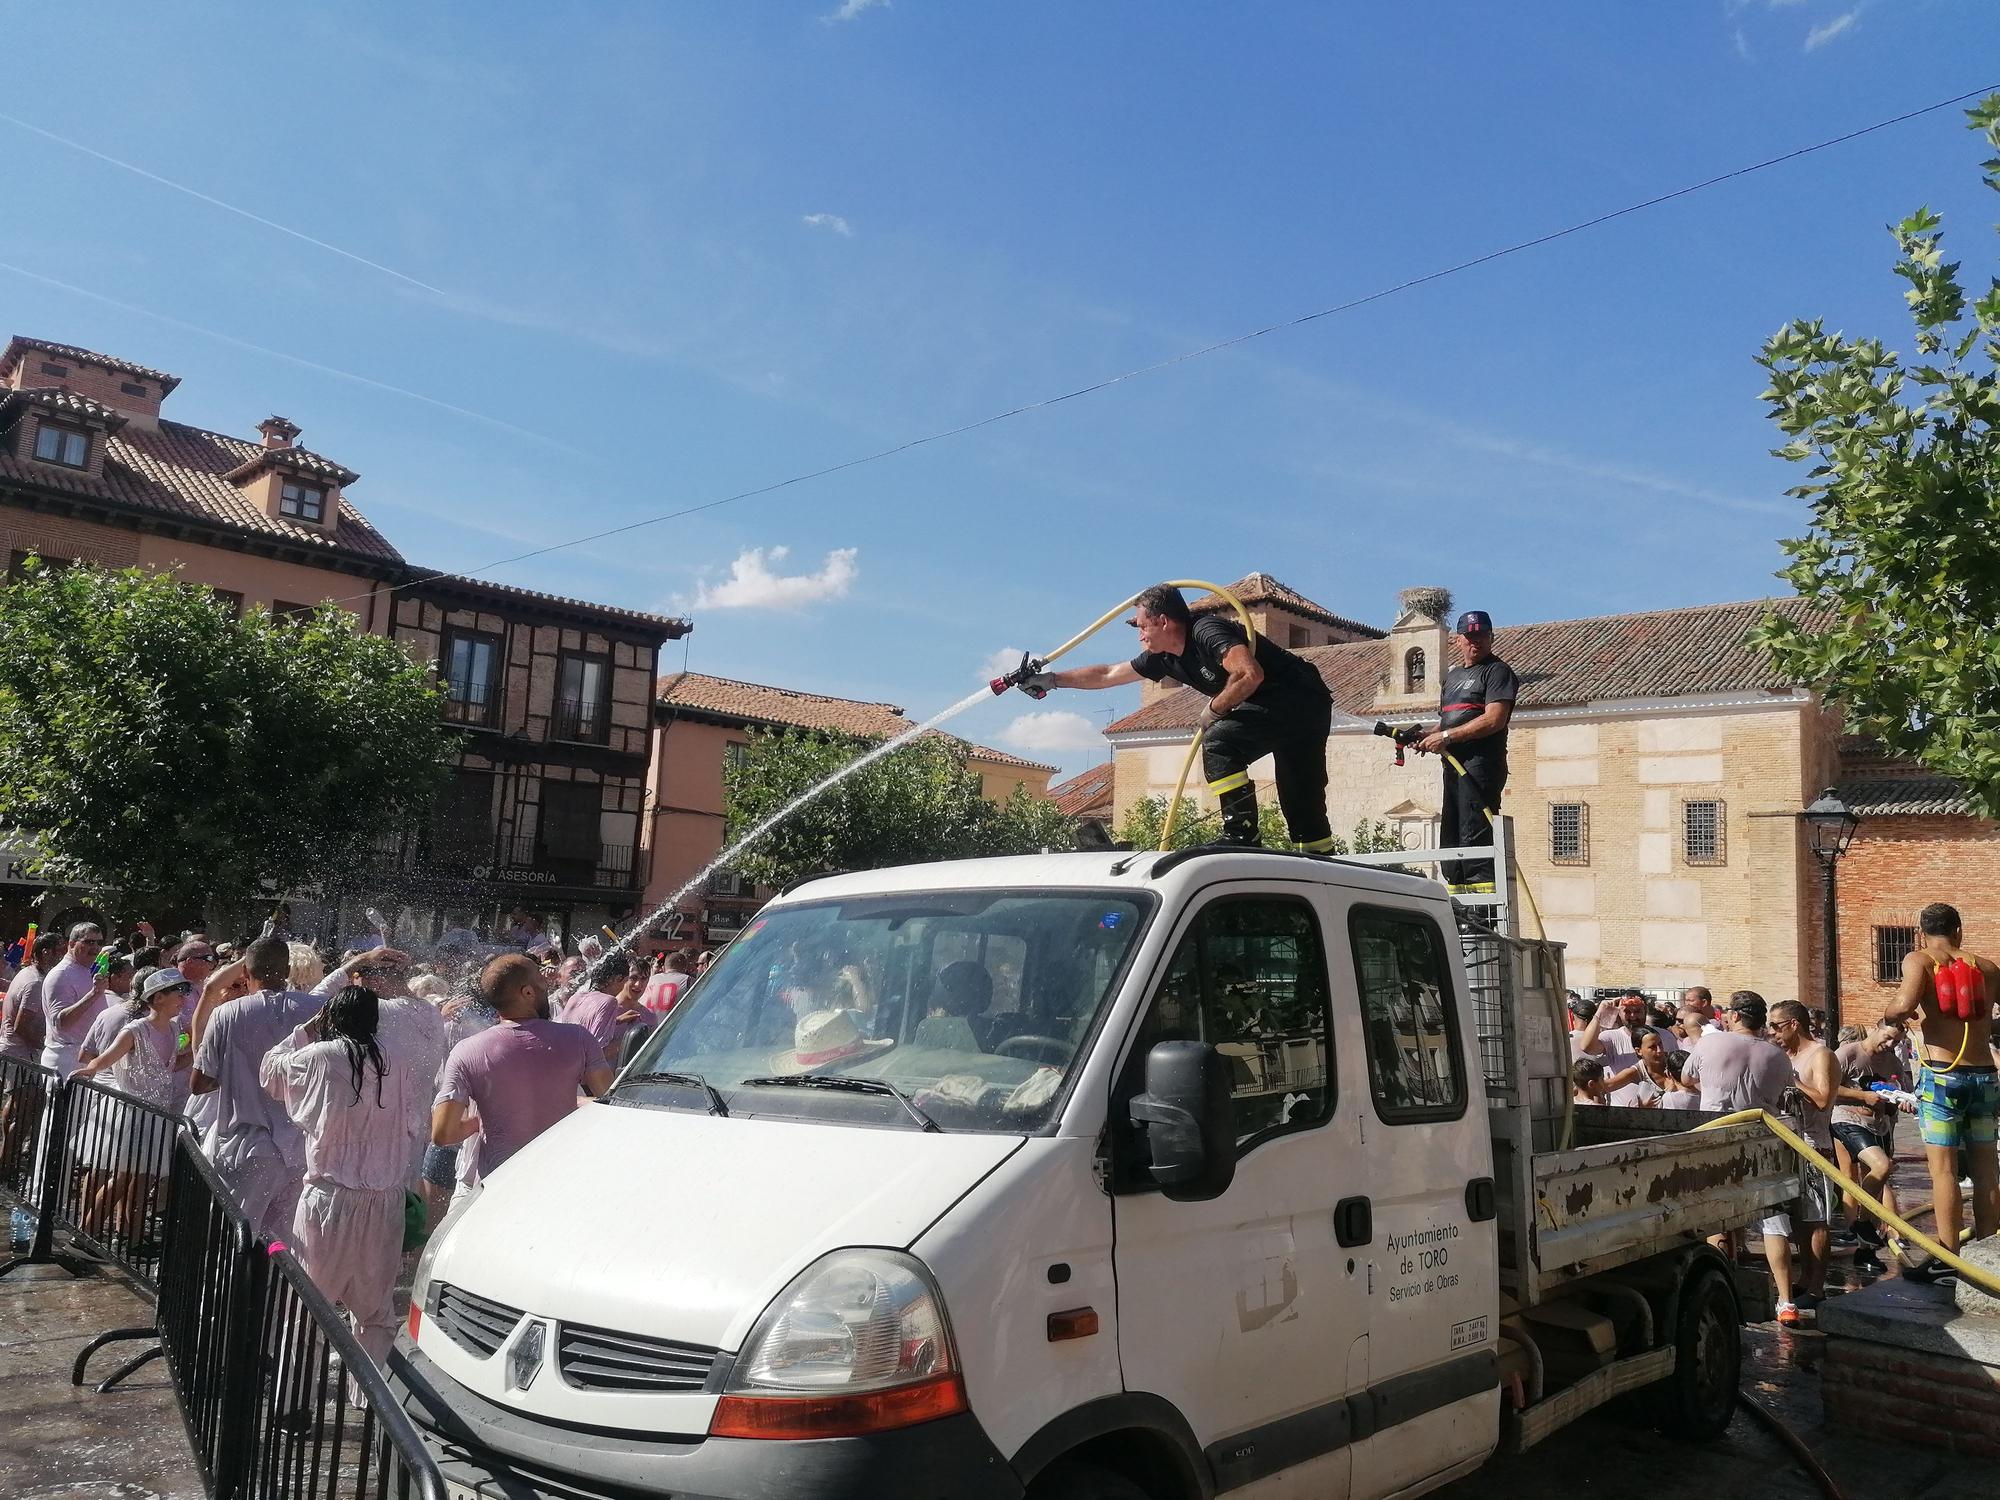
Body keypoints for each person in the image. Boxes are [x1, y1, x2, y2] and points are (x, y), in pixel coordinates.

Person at [1012, 583, 1338, 850]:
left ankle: (1242, 836)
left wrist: (1214, 709)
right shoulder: (1165, 657)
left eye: (1141, 627)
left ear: (1164, 622)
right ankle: (1321, 862)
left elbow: (1249, 674)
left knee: (1220, 741)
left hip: (1299, 699)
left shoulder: (1207, 631)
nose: (1139, 636)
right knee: (1302, 805)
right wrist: (1052, 680)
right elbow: (1109, 673)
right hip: (1296, 709)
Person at [261, 984, 421, 1367]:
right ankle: (369, 1404)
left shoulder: (318, 1055)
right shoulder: (397, 1059)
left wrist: (305, 1030)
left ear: (332, 1018)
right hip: (385, 1198)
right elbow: (414, 1122)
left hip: (330, 1197)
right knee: (376, 1312)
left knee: (309, 1306)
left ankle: (292, 1406)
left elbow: (269, 1071)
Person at [431, 954, 613, 1195]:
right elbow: (610, 1104)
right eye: (540, 979)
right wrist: (574, 1103)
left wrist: (482, 1121)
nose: (547, 984)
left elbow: (443, 1134)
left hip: (499, 1186)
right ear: (527, 992)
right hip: (560, 1184)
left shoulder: (467, 1051)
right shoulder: (579, 1039)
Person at [189, 936, 327, 1239]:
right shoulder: (319, 1009)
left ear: (246, 975)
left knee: (235, 1238)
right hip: (302, 1149)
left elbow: (199, 1083)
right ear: (288, 970)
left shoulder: (227, 1014)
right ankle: (268, 1289)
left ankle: (227, 1288)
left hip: (248, 1148)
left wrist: (238, 1072)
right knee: (285, 1243)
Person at [1884, 902, 2000, 1258]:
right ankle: (1989, 1252)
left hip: (1943, 1077)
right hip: (1984, 1076)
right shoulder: (1988, 967)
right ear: (1959, 930)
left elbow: (1902, 1004)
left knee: (1944, 1172)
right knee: (1986, 1171)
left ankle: (1950, 1255)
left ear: (1922, 933)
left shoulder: (1919, 960)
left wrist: (1893, 1014)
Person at [74, 966, 186, 1240]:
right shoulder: (135, 1030)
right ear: (158, 998)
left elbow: (168, 1067)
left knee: (143, 1180)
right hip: (134, 1116)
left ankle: (132, 1238)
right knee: (122, 1179)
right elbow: (107, 1058)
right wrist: (89, 1069)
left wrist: (200, 1052)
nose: (182, 997)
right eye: (177, 992)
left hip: (156, 1116)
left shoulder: (174, 1027)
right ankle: (85, 1234)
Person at [1415, 611, 1518, 893]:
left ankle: (1481, 913)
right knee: (1452, 835)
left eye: (1483, 636)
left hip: (1480, 767)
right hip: (1452, 768)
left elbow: (1493, 719)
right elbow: (1450, 719)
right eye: (1471, 637)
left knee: (1475, 834)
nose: (1477, 642)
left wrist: (1446, 736)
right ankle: (1457, 907)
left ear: (1491, 638)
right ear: (1458, 640)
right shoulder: (1453, 678)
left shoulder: (1497, 672)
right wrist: (1430, 735)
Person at [1766, 1000, 1839, 1323]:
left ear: (1794, 1024)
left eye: (1777, 1026)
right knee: (1796, 1221)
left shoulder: (1821, 1055)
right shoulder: (1786, 1057)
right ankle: (1804, 1281)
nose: (1773, 1033)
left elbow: (1823, 1099)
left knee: (1816, 1220)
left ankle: (1818, 1286)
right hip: (1788, 1146)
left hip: (1814, 1147)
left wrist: (1790, 1080)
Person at [1832, 1022, 1907, 1273]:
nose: (1890, 1045)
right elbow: (1826, 1088)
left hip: (1879, 1124)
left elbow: (1899, 1096)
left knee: (1876, 1180)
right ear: (1877, 1028)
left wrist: (1899, 1102)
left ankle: (1865, 1248)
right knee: (1878, 1166)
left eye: (1896, 1042)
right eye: (1887, 1038)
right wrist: (1863, 1097)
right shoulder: (1848, 1054)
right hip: (1847, 1119)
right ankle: (1861, 1224)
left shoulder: (1893, 1063)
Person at [40, 922, 108, 1078]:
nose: (96, 947)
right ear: (71, 944)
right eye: (89, 942)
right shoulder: (61, 974)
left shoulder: (88, 969)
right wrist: (94, 994)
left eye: (99, 942)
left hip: (84, 1058)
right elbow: (60, 1024)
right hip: (66, 1061)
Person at [640, 950, 695, 1017]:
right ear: (685, 967)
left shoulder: (649, 980)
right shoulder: (689, 981)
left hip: (645, 1024)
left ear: (665, 966)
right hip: (672, 1026)